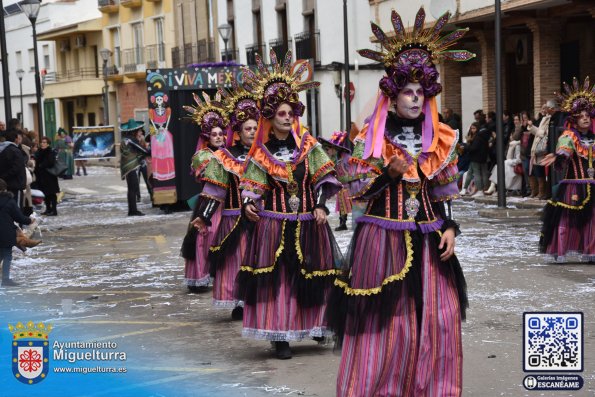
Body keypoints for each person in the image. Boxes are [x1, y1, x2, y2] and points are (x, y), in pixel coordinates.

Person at [327, 8, 470, 396]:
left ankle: (429, 388)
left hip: (428, 240)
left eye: (420, 93)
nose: (414, 98)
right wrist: (386, 174)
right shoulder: (370, 141)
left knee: (440, 318)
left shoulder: (439, 140)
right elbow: (356, 195)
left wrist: (451, 229)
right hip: (381, 241)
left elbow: (442, 196)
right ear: (391, 95)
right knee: (387, 323)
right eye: (407, 91)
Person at [237, 49, 343, 360]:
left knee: (315, 274)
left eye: (290, 113)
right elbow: (251, 188)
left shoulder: (310, 147)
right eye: (280, 113)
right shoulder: (260, 154)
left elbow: (327, 179)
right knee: (279, 279)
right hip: (273, 225)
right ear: (270, 116)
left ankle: (317, 326)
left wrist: (322, 206)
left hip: (310, 223)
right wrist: (247, 206)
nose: (286, 118)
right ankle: (280, 337)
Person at [190, 82, 259, 318]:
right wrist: (204, 217)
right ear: (238, 131)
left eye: (255, 128)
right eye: (247, 128)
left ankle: (258, 298)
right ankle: (239, 301)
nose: (252, 131)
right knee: (237, 261)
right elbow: (214, 191)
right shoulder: (225, 158)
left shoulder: (266, 155)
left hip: (263, 218)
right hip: (233, 218)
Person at [539, 77, 595, 262]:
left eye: (588, 115)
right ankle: (560, 251)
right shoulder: (569, 136)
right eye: (581, 116)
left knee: (592, 220)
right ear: (575, 119)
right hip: (573, 185)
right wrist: (559, 156)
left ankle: (591, 251)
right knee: (566, 220)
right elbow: (564, 151)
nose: (585, 118)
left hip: (592, 185)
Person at [181, 92, 228, 291]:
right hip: (210, 202)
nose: (218, 137)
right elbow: (203, 176)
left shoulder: (229, 154)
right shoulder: (203, 156)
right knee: (205, 235)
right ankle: (201, 276)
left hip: (227, 203)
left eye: (221, 134)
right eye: (214, 134)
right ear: (207, 136)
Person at [0, 178, 34, 287]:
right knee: (7, 256)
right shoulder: (9, 201)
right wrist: (30, 220)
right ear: (5, 189)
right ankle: (5, 279)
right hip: (5, 234)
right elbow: (19, 218)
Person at [319, 131, 353, 231]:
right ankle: (343, 223)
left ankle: (357, 222)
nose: (327, 151)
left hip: (350, 186)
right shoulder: (336, 159)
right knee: (342, 206)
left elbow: (353, 171)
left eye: (328, 149)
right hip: (341, 187)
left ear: (334, 148)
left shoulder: (346, 158)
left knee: (352, 205)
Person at [119, 119, 150, 216]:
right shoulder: (131, 140)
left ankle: (132, 210)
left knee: (131, 188)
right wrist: (153, 148)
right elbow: (144, 151)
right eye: (140, 130)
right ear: (134, 131)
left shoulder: (126, 139)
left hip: (127, 167)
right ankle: (132, 211)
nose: (141, 132)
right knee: (133, 188)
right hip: (131, 167)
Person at [0, 129, 28, 207]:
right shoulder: (15, 151)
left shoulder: (3, 150)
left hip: (6, 184)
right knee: (16, 207)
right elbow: (16, 168)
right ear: (16, 139)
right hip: (16, 183)